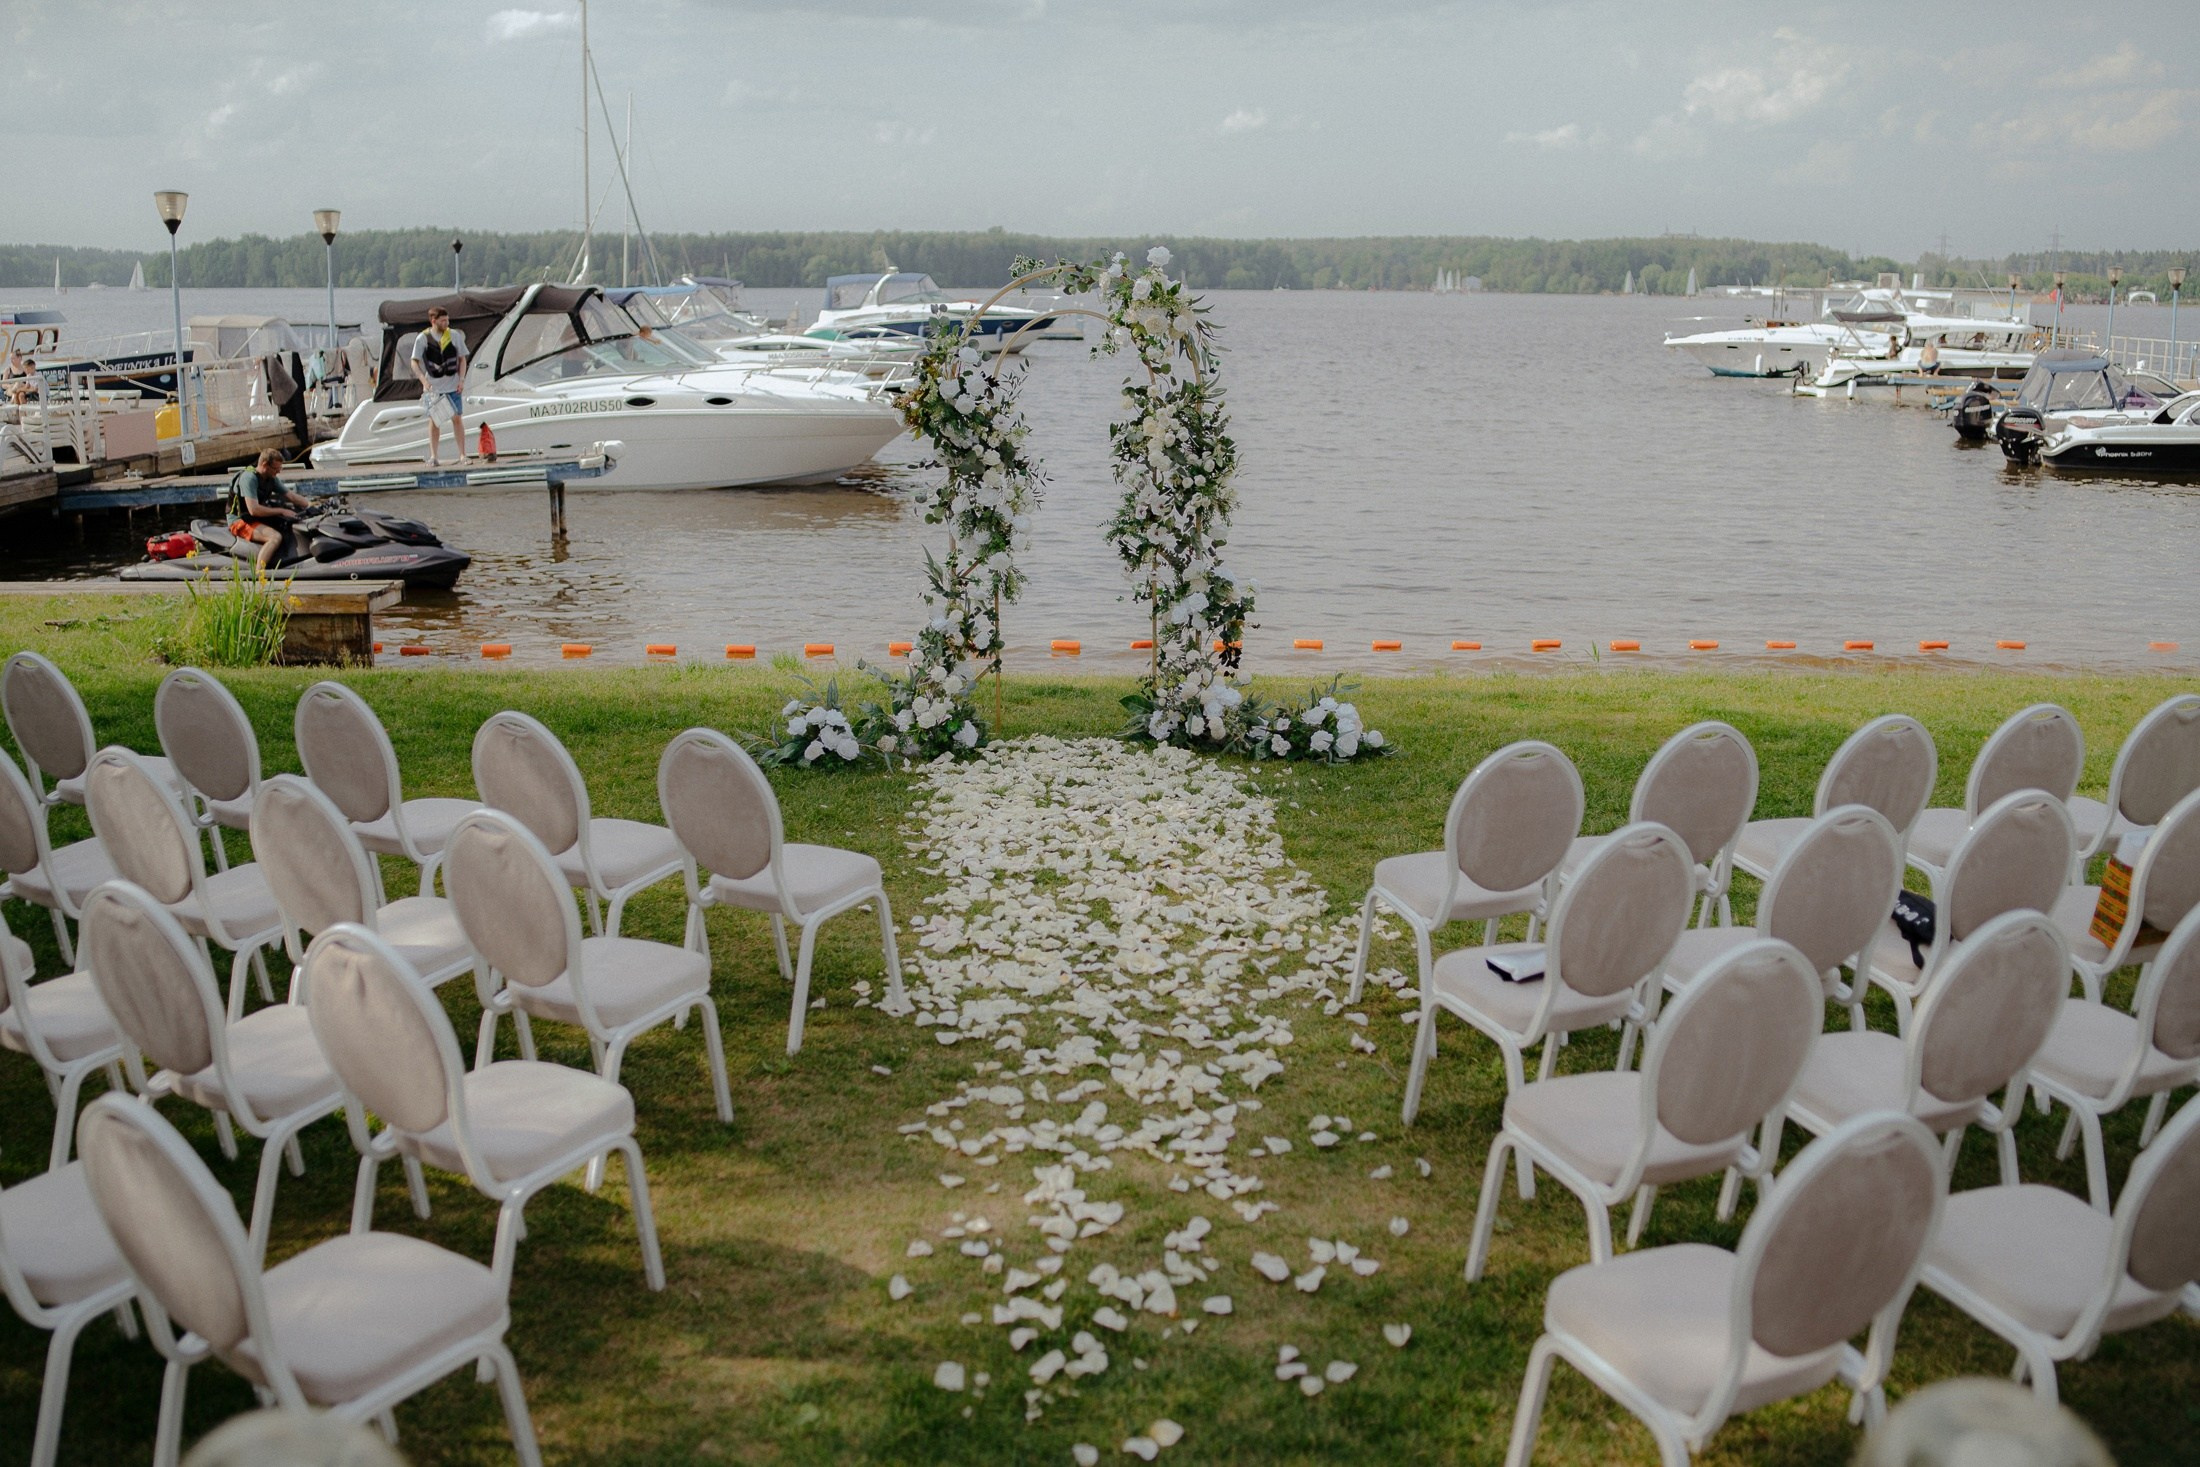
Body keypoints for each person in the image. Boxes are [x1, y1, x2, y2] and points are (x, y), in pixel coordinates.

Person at [226, 448, 316, 573]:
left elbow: (291, 496)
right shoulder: (249, 478)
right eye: (275, 468)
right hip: (240, 521)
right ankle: (259, 574)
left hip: (254, 519)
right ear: (264, 465)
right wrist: (281, 511)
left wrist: (312, 505)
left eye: (280, 468)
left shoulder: (270, 478)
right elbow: (254, 510)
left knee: (288, 526)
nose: (278, 471)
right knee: (275, 537)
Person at [409, 305, 469, 465]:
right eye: (443, 321)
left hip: (453, 384)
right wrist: (423, 380)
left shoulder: (454, 336)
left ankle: (463, 455)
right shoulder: (422, 338)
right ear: (433, 321)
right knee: (435, 420)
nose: (446, 323)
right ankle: (434, 456)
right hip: (433, 388)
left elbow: (462, 359)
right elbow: (414, 362)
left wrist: (462, 380)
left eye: (447, 320)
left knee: (457, 418)